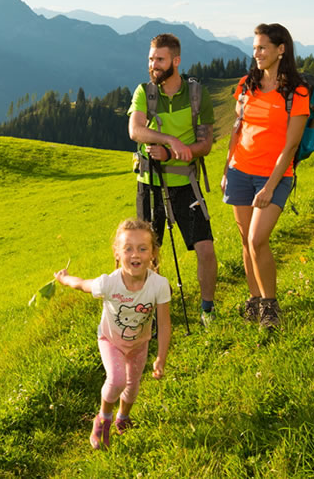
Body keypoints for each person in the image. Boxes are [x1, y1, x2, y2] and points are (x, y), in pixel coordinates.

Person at [221, 23, 310, 330]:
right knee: (246, 242)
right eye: (255, 47)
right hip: (239, 171)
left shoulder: (296, 92)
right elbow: (237, 128)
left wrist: (270, 187)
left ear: (280, 49)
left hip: (274, 176)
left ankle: (270, 308)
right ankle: (255, 299)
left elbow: (291, 145)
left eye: (262, 48)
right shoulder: (247, 85)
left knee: (258, 239)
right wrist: (226, 169)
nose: (256, 53)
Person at [54, 218, 172, 450]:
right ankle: (103, 418)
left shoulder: (159, 285)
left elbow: (165, 324)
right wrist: (65, 279)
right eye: (127, 248)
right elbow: (83, 284)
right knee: (117, 380)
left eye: (142, 248)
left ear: (153, 254)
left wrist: (161, 357)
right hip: (111, 340)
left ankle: (123, 418)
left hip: (140, 343)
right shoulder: (109, 283)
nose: (135, 254)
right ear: (117, 253)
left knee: (133, 384)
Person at [127, 33, 218, 326]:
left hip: (185, 185)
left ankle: (207, 310)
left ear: (176, 61)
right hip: (149, 183)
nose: (153, 65)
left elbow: (206, 145)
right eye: (151, 59)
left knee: (205, 248)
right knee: (147, 254)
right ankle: (148, 315)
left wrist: (176, 153)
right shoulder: (144, 92)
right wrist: (168, 141)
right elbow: (135, 130)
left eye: (160, 59)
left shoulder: (196, 94)